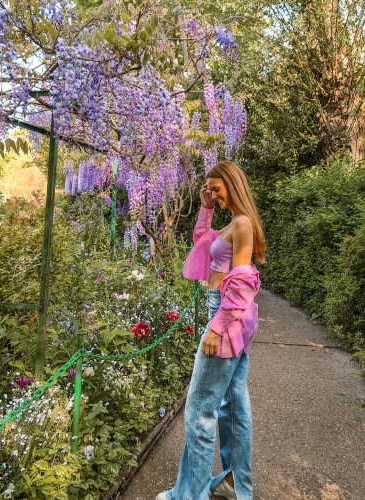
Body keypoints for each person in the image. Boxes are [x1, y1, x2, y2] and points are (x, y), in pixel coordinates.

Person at [155, 160, 266, 500]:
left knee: (200, 410)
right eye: (210, 189)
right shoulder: (234, 223)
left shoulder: (242, 223)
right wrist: (204, 208)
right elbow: (204, 245)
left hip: (225, 315)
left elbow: (245, 281)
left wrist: (216, 327)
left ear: (233, 183)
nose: (213, 194)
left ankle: (188, 495)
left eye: (216, 188)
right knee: (232, 405)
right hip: (229, 315)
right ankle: (235, 483)